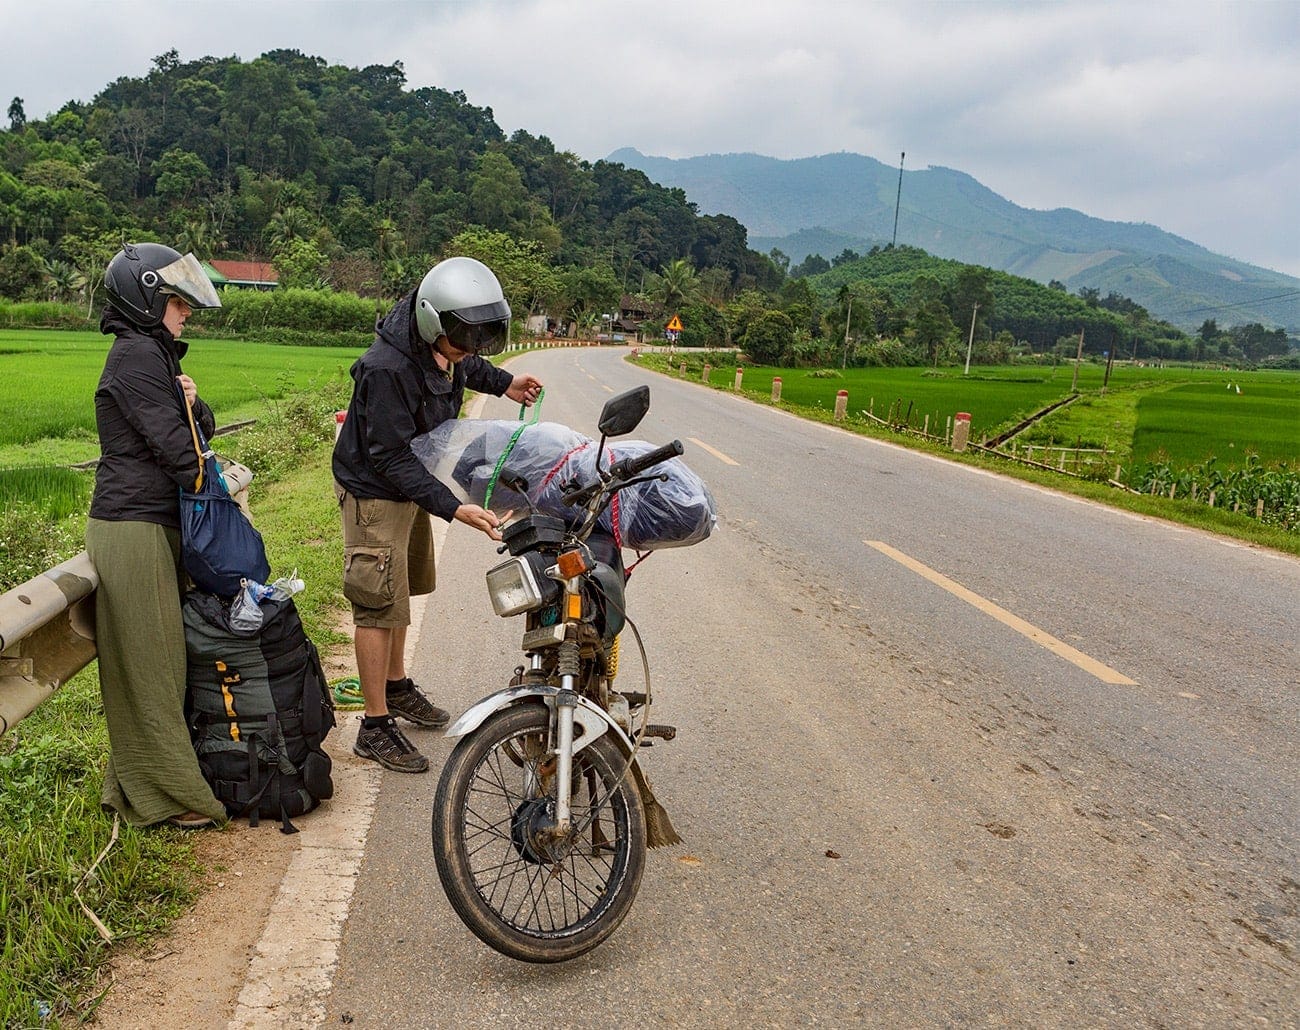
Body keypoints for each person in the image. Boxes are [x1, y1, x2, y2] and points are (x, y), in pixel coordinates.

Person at [332, 257, 543, 773]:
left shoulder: (447, 341)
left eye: (475, 344)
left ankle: (397, 686)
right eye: (459, 343)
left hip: (408, 489)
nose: (466, 354)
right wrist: (453, 507)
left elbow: (467, 364)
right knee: (377, 603)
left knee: (402, 592)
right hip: (375, 492)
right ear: (431, 322)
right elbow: (389, 455)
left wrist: (506, 384)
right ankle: (374, 726)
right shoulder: (387, 369)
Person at [86, 242, 227, 829]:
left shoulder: (154, 355)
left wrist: (194, 407)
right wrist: (210, 480)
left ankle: (140, 787)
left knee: (163, 661)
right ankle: (169, 796)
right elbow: (180, 454)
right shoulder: (136, 358)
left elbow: (198, 428)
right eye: (175, 301)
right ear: (146, 298)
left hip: (153, 524)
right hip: (132, 526)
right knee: (149, 665)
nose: (184, 312)